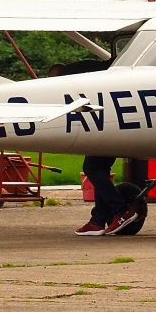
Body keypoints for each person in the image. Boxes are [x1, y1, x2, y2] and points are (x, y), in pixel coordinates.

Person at [48, 61, 137, 237]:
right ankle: (98, 220)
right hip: (114, 123)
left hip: (107, 126)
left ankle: (121, 210)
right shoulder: (96, 70)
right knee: (99, 169)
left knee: (92, 168)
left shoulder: (75, 79)